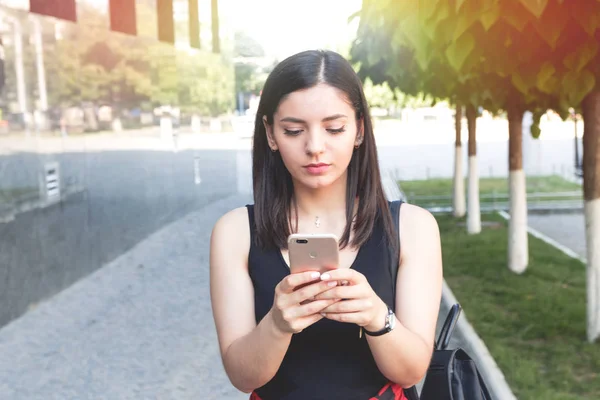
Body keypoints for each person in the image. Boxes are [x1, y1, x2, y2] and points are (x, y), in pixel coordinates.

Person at [210, 49, 443, 400]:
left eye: (334, 128)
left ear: (359, 129)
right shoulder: (235, 232)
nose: (315, 147)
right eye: (293, 130)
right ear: (271, 134)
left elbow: (411, 371)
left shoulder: (413, 227)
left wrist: (377, 316)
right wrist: (277, 324)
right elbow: (243, 376)